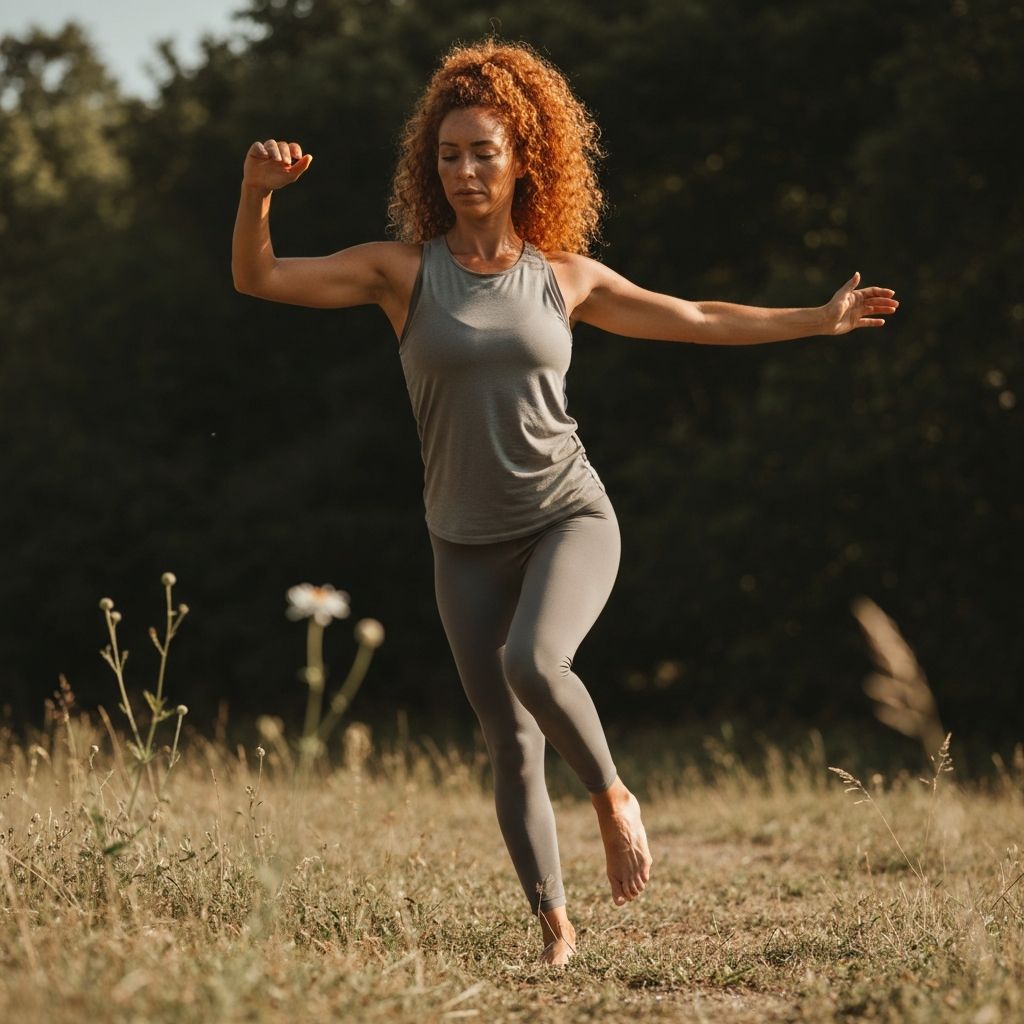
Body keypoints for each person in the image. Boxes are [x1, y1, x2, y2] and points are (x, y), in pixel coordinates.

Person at [231, 39, 899, 967]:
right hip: (460, 541)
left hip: (566, 516)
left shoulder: (564, 277)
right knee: (509, 745)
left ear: (522, 162)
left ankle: (613, 796)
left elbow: (697, 317)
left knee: (535, 665)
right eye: (449, 154)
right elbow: (259, 277)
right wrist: (258, 193)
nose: (465, 170)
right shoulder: (402, 272)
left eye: (484, 152)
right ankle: (556, 928)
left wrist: (816, 319)